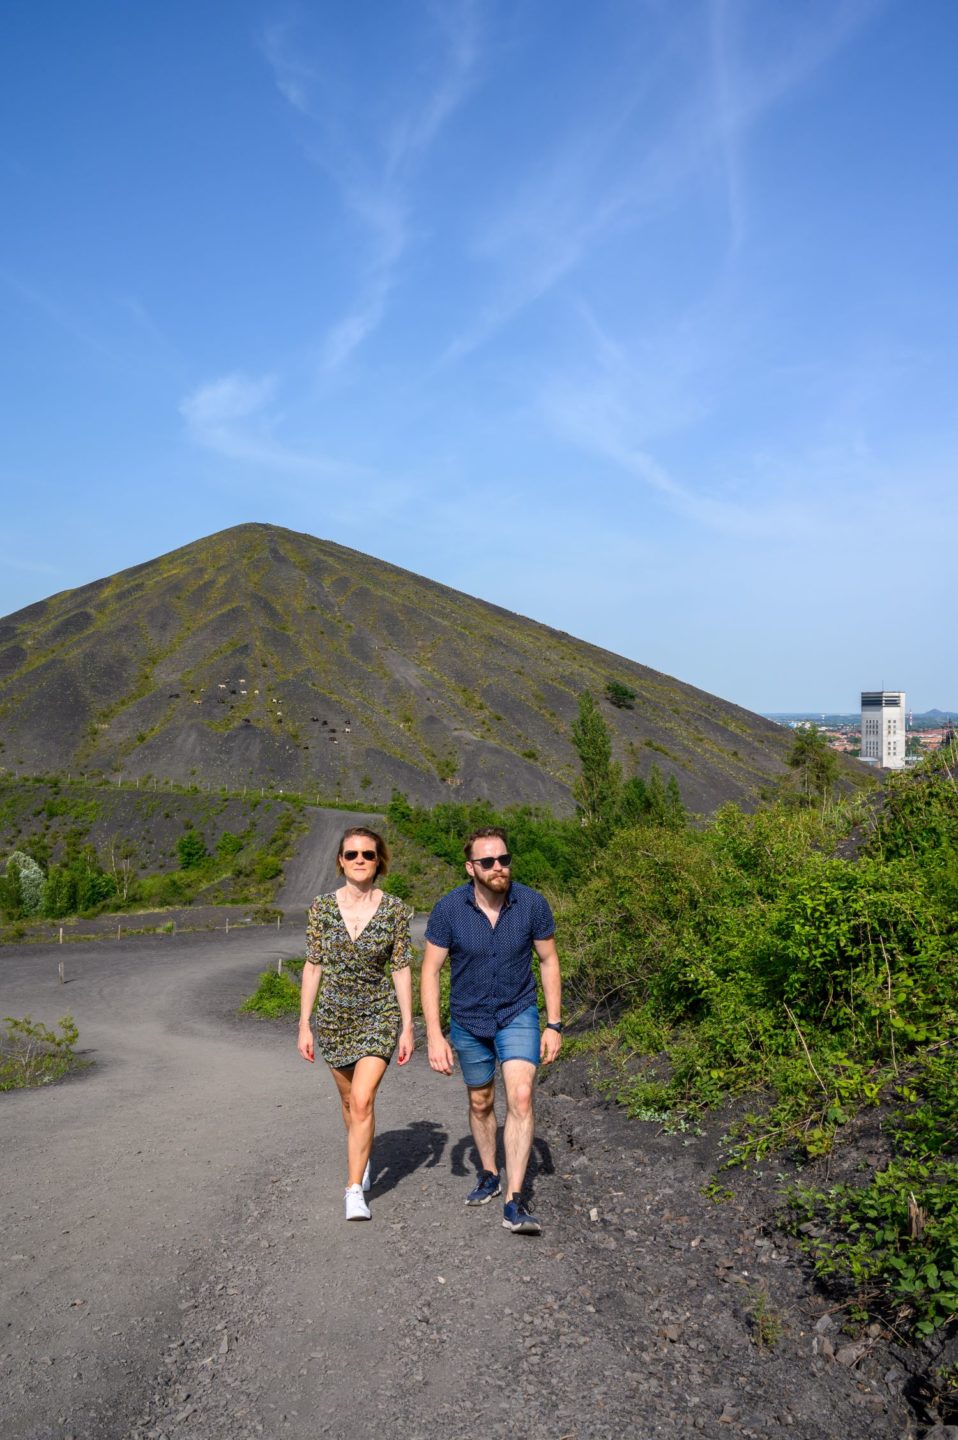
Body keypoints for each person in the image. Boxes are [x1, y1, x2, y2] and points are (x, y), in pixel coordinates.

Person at [420, 827, 562, 1235]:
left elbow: (549, 962)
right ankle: (487, 1172)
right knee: (481, 1102)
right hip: (469, 1018)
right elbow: (430, 971)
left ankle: (514, 1200)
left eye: (504, 859)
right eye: (488, 862)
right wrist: (434, 1033)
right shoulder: (449, 909)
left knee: (520, 1094)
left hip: (518, 1012)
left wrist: (553, 1023)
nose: (499, 867)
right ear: (471, 868)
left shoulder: (531, 903)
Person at [297, 828, 414, 1220]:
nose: (360, 859)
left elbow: (400, 969)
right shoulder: (321, 908)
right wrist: (304, 1023)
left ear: (379, 859)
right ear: (340, 861)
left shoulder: (396, 909)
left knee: (362, 1100)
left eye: (368, 853)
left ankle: (353, 1190)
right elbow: (313, 965)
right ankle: (361, 1157)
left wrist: (408, 1026)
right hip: (333, 1017)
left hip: (378, 1014)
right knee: (349, 1102)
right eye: (352, 854)